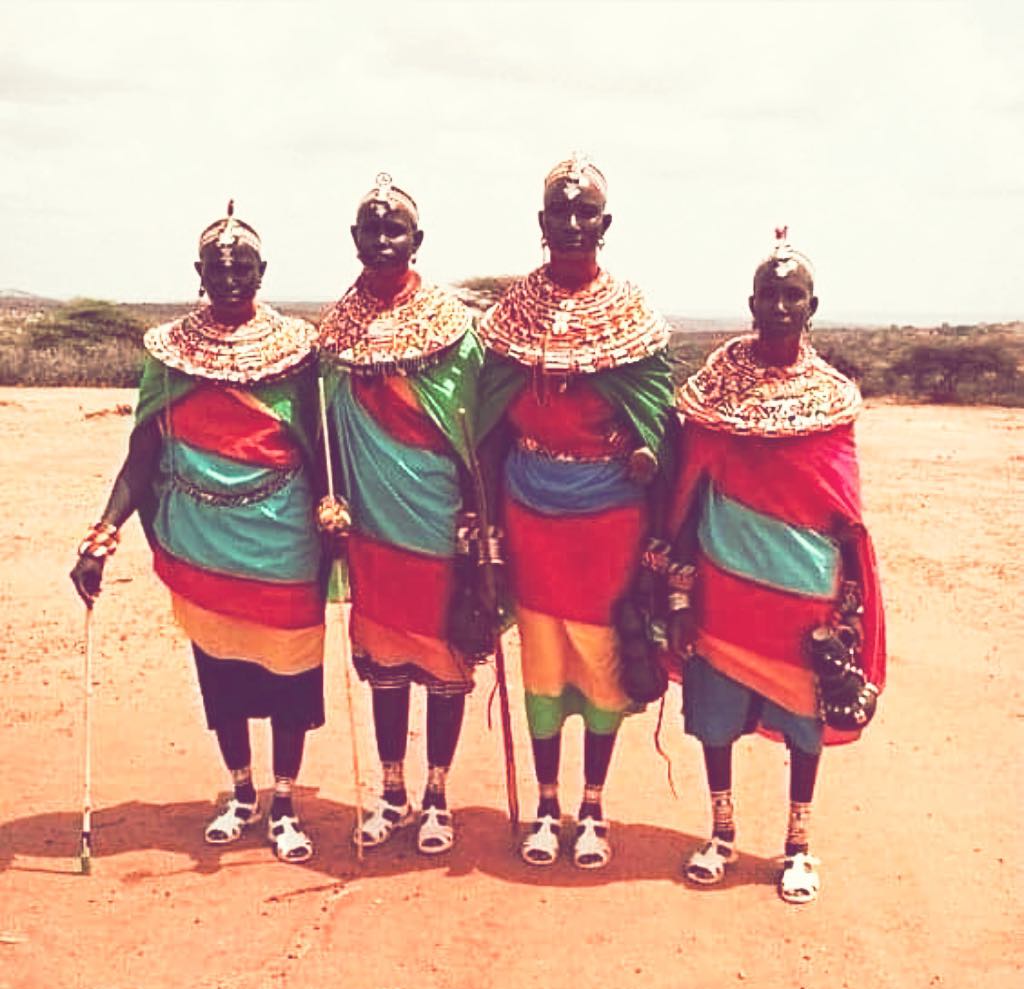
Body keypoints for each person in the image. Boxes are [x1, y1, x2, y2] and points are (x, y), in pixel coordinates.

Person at [70, 203, 326, 864]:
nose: (232, 277)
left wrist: (335, 512)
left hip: (284, 542)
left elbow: (321, 442)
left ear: (263, 272)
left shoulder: (298, 352)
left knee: (290, 671)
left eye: (244, 267)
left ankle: (287, 799)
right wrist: (103, 534)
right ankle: (241, 793)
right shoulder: (169, 355)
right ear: (199, 273)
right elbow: (144, 454)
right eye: (219, 267)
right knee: (222, 670)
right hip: (202, 543)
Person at [666, 228, 886, 903]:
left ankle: (798, 846)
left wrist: (851, 591)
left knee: (803, 723)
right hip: (725, 580)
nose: (781, 306)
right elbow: (689, 481)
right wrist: (671, 567)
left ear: (811, 306)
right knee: (714, 714)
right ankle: (722, 831)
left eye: (793, 296)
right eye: (771, 294)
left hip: (804, 586)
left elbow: (843, 504)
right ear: (752, 301)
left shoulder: (830, 400)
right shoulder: (713, 394)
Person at [476, 154, 674, 869]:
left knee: (599, 656)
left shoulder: (633, 317)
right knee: (542, 659)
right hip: (528, 514)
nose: (571, 224)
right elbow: (490, 422)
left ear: (605, 223)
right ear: (541, 224)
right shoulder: (508, 320)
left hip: (609, 520)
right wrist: (487, 518)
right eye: (559, 214)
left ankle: (593, 806)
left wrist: (639, 445)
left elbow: (659, 413)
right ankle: (547, 804)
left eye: (584, 213)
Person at [317, 173, 485, 856]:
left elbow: (481, 425)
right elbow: (321, 427)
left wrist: (479, 512)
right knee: (384, 660)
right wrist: (326, 500)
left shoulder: (459, 333)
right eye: (371, 230)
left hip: (440, 525)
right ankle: (391, 792)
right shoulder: (333, 337)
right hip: (373, 529)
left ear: (418, 240)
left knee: (445, 661)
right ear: (354, 240)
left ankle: (438, 796)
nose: (383, 240)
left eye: (396, 230)